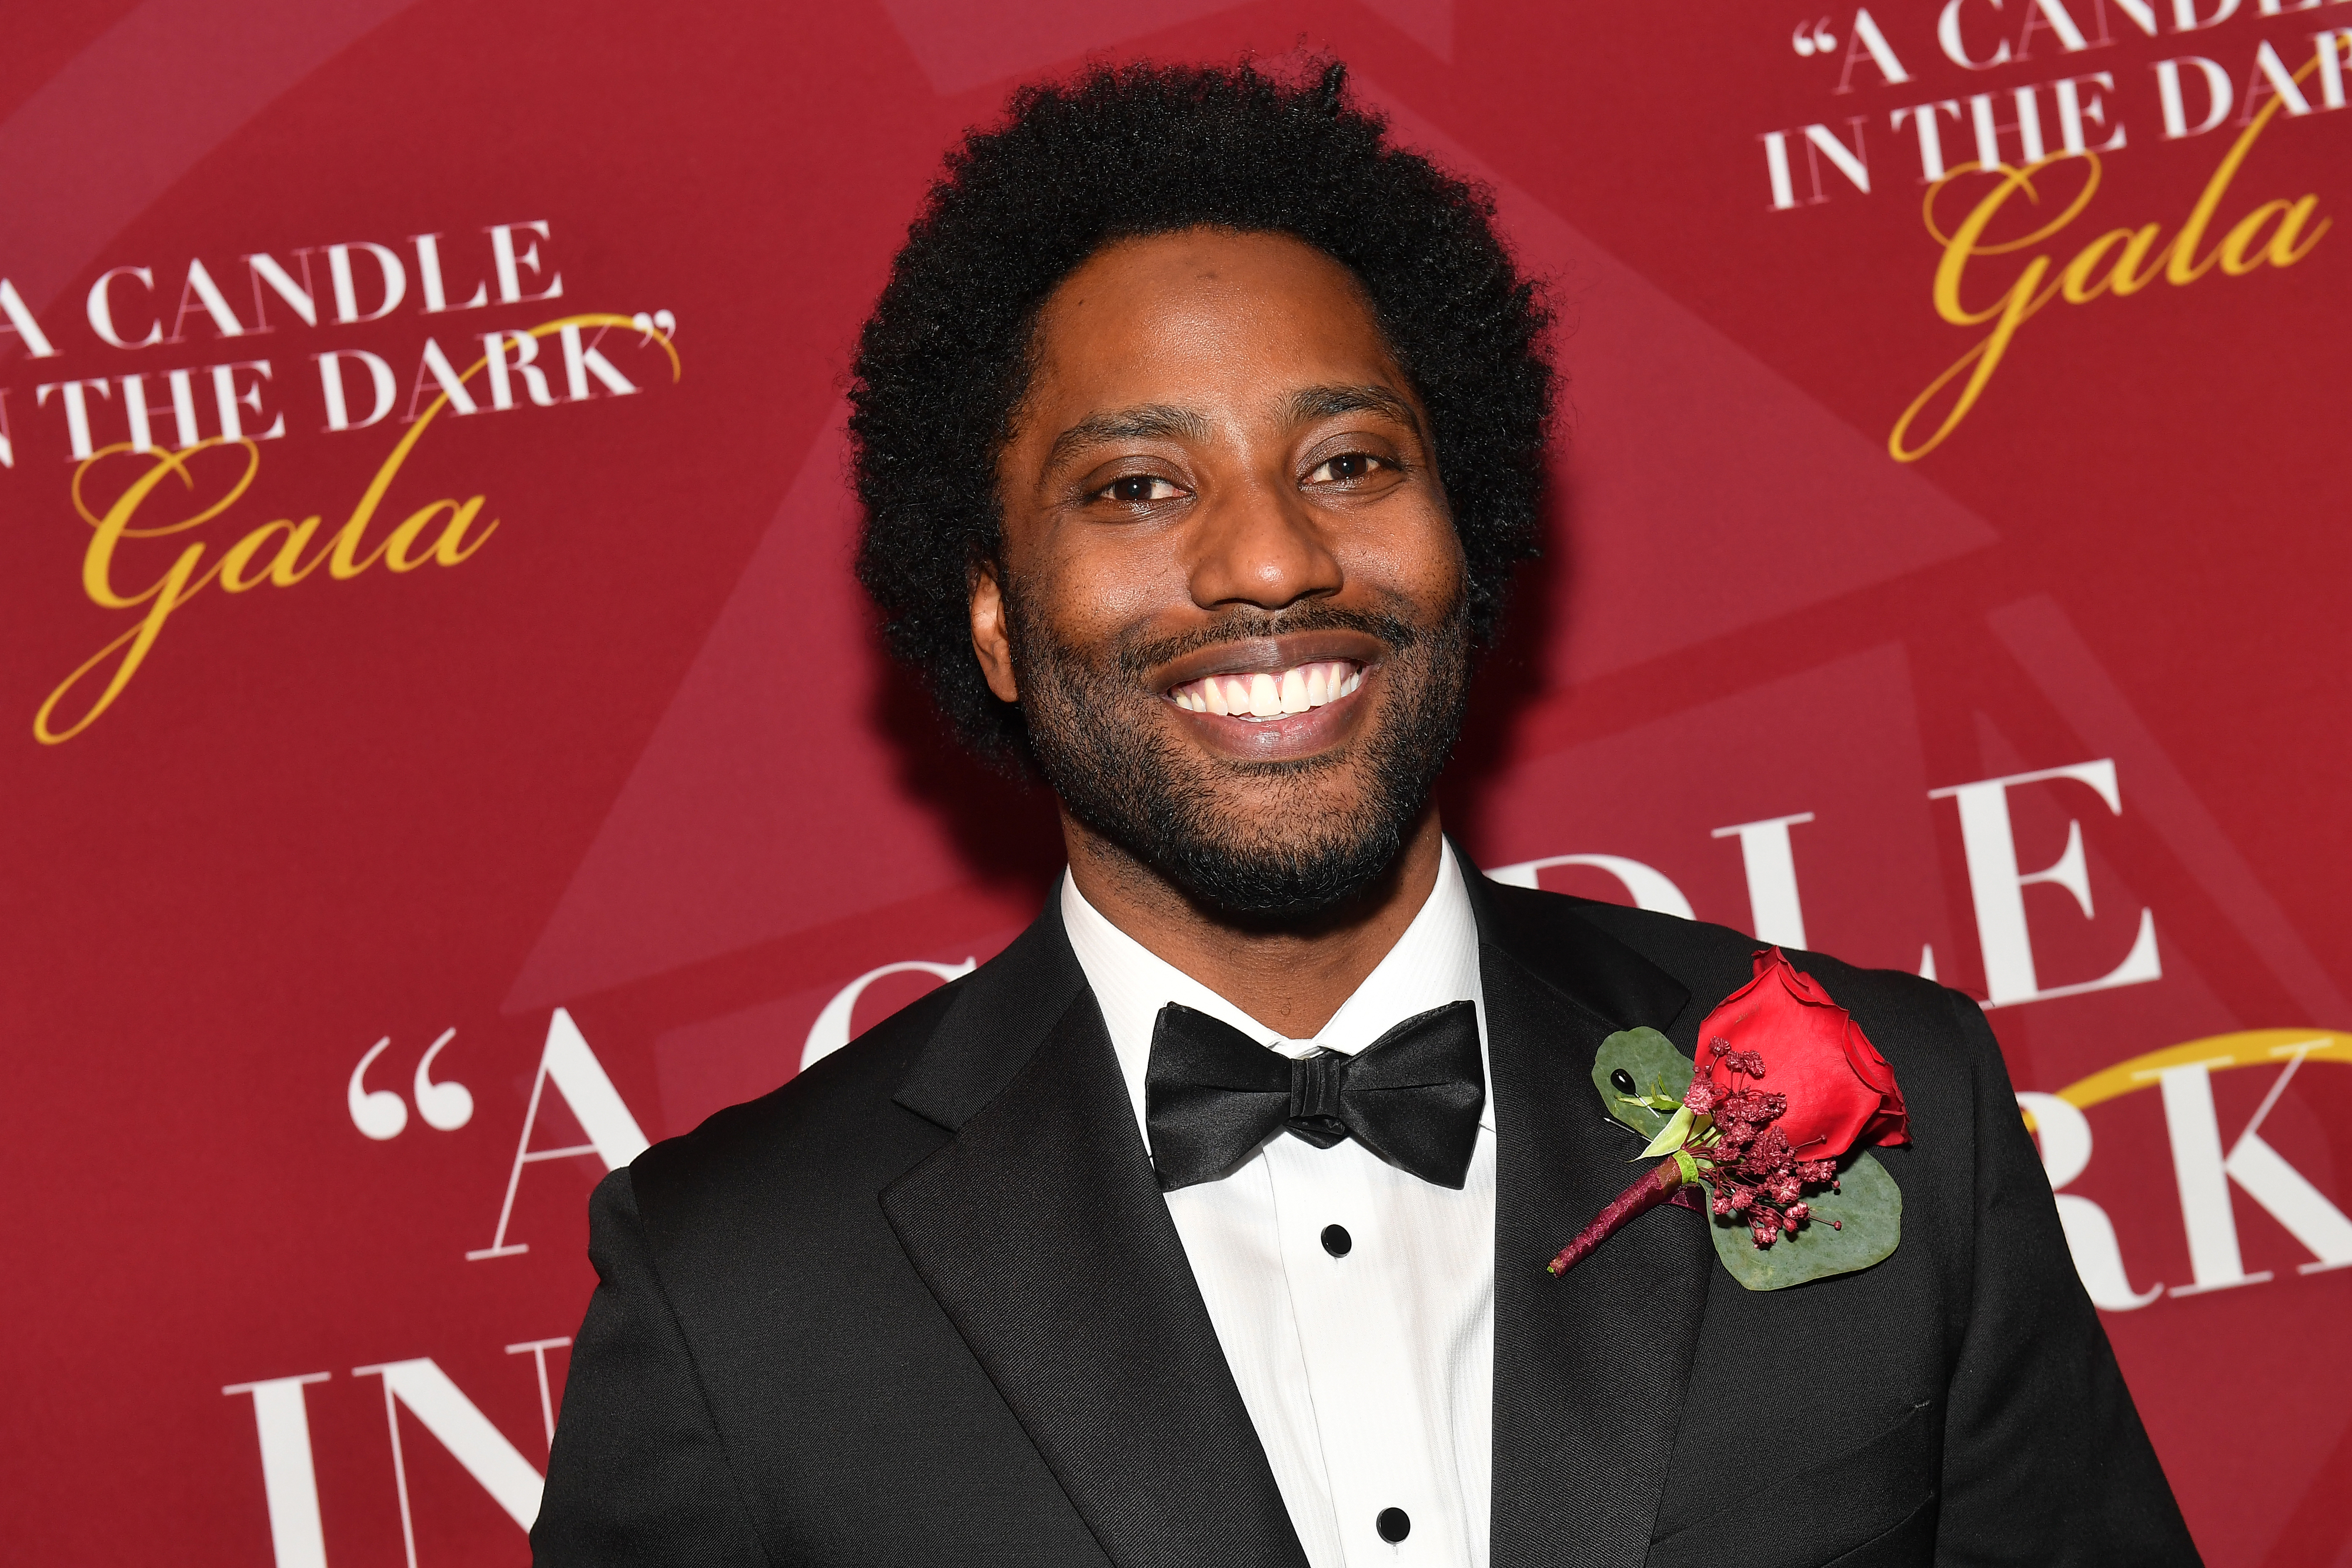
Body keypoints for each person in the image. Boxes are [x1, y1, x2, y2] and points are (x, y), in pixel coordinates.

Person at [531, 59, 2199, 1568]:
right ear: (994, 621)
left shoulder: (1909, 1099)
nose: (1272, 560)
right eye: (1136, 487)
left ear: (1464, 527)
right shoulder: (737, 1293)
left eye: (1347, 462)